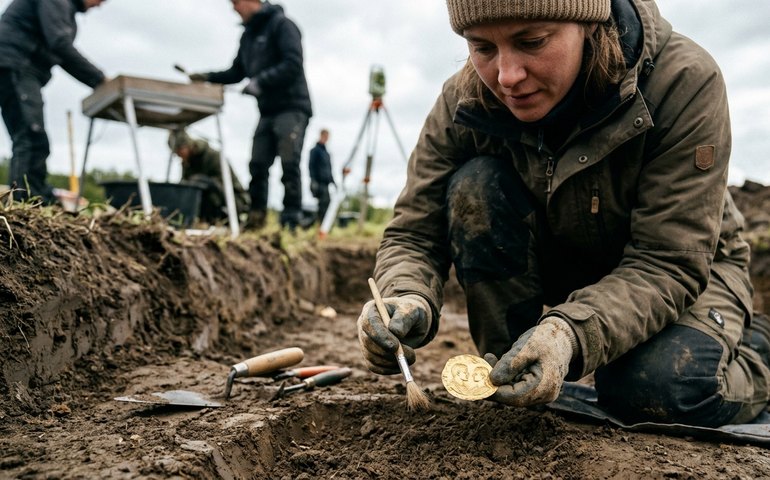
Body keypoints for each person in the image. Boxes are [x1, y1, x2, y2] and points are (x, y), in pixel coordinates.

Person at [357, 0, 770, 427]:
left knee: (659, 389)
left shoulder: (682, 82)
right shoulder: (465, 99)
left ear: (589, 24)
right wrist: (405, 295)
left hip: (687, 272)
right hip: (566, 258)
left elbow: (668, 260)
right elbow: (413, 233)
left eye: (531, 42)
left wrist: (570, 333)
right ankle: (510, 362)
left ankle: (756, 348)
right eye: (482, 48)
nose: (507, 76)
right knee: (475, 185)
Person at [189, 0, 312, 231]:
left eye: (236, 2)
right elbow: (236, 72)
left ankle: (291, 220)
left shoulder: (282, 25)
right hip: (267, 110)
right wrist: (207, 77)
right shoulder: (248, 37)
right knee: (257, 164)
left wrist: (261, 82)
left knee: (289, 162)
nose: (234, 8)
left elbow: (292, 63)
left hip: (292, 107)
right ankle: (256, 219)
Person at [0, 0, 107, 203]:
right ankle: (25, 202)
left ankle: (33, 196)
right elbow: (59, 44)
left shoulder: (65, 9)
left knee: (31, 138)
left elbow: (60, 49)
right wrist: (99, 79)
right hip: (15, 64)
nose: (100, 5)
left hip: (20, 67)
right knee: (32, 138)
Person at [168, 129, 249, 224]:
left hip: (234, 200)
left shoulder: (214, 156)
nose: (178, 155)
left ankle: (222, 222)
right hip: (208, 202)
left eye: (179, 151)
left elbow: (223, 187)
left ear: (187, 145)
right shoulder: (187, 162)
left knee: (206, 189)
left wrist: (205, 182)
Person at [308, 128, 335, 224]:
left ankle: (322, 224)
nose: (326, 139)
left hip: (326, 183)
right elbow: (311, 166)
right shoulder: (314, 151)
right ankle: (318, 224)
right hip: (319, 182)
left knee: (327, 204)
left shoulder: (326, 153)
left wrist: (333, 182)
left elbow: (329, 169)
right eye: (325, 136)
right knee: (322, 205)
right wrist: (313, 180)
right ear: (321, 135)